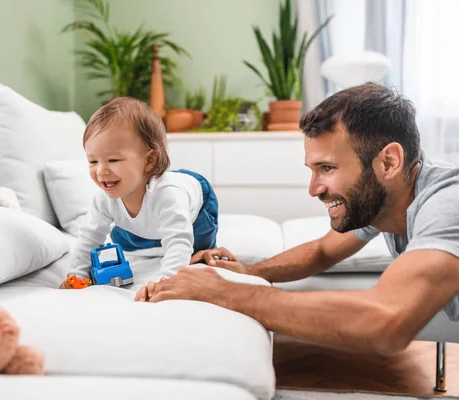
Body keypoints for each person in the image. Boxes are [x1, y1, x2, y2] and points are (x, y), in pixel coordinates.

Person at [138, 83, 459, 354]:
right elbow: (324, 251)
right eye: (313, 170)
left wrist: (223, 292)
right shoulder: (389, 195)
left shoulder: (447, 202)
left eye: (328, 168)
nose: (314, 188)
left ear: (389, 162)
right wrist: (250, 271)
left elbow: (386, 321)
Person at [60, 97, 218, 290]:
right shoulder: (105, 199)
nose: (101, 171)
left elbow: (179, 241)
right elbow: (89, 237)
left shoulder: (169, 195)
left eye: (113, 160)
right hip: (143, 203)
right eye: (93, 162)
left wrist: (166, 283)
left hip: (197, 207)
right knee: (123, 238)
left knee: (194, 247)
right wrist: (76, 276)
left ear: (149, 161)